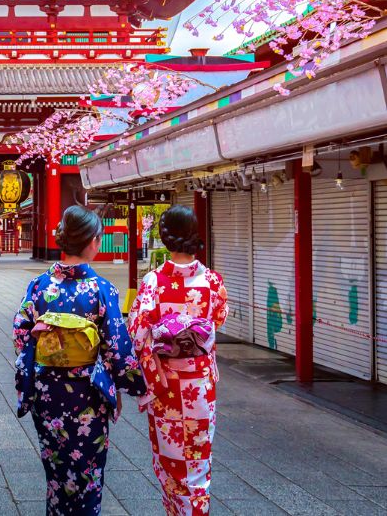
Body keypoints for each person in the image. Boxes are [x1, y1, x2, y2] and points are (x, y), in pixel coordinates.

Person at [12, 205, 146, 515]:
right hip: (87, 394)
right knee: (87, 475)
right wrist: (135, 386)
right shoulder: (101, 290)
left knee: (57, 472)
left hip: (47, 392)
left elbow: (21, 334)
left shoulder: (40, 286)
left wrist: (41, 344)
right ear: (92, 241)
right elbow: (117, 346)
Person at [127, 205, 228, 516]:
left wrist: (163, 336)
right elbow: (219, 320)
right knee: (198, 462)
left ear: (164, 236)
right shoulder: (212, 281)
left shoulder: (153, 282)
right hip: (200, 386)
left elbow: (137, 331)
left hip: (167, 385)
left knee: (171, 464)